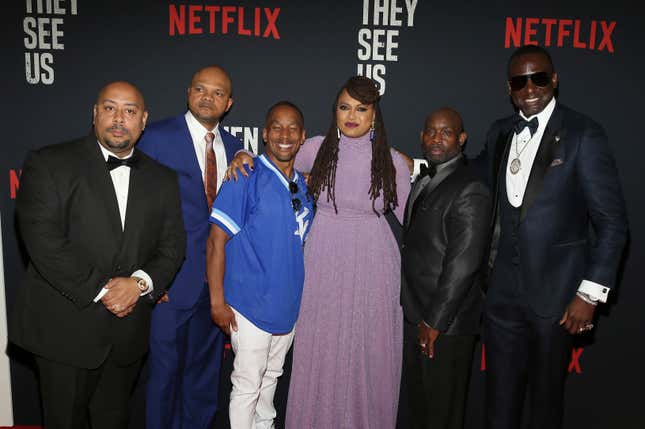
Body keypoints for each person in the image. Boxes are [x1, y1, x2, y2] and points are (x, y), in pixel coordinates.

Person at [229, 76, 411, 428]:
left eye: (361, 108)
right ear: (335, 112)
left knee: (365, 351)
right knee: (321, 347)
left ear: (375, 115)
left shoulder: (392, 161)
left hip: (374, 262)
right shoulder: (315, 148)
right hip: (323, 260)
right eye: (345, 107)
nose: (352, 115)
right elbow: (274, 163)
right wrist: (242, 154)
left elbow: (415, 220)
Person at [10, 81, 186, 429]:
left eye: (129, 111)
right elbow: (43, 241)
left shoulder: (163, 179)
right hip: (64, 330)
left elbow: (172, 246)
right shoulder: (49, 163)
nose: (119, 119)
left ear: (143, 120)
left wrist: (138, 284)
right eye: (110, 108)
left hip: (127, 335)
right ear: (94, 114)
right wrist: (105, 290)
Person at [480, 45, 628, 429]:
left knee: (545, 406)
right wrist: (412, 168)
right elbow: (470, 178)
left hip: (558, 297)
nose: (530, 88)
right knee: (498, 405)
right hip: (500, 296)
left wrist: (589, 293)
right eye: (520, 80)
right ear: (508, 87)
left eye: (539, 78)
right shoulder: (499, 131)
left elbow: (612, 223)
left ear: (554, 80)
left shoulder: (583, 134)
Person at [137, 65, 243, 429]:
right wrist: (149, 277)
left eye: (217, 93)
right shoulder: (155, 137)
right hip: (170, 283)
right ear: (188, 92)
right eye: (200, 88)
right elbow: (135, 210)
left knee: (203, 376)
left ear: (228, 103)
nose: (207, 97)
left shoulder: (235, 148)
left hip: (217, 287)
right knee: (164, 375)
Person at [206, 101, 313, 429]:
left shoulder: (303, 184)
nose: (284, 134)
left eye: (292, 127)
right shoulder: (245, 174)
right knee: (247, 386)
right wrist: (217, 302)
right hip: (249, 305)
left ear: (302, 136)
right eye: (277, 127)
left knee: (270, 384)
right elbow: (215, 241)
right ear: (264, 133)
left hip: (287, 306)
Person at [400, 108, 491, 429]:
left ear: (462, 139)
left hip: (445, 326)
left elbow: (463, 264)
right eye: (430, 132)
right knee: (420, 412)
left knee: (442, 415)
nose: (436, 139)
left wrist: (434, 321)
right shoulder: (427, 178)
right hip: (415, 316)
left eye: (446, 132)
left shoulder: (471, 188)